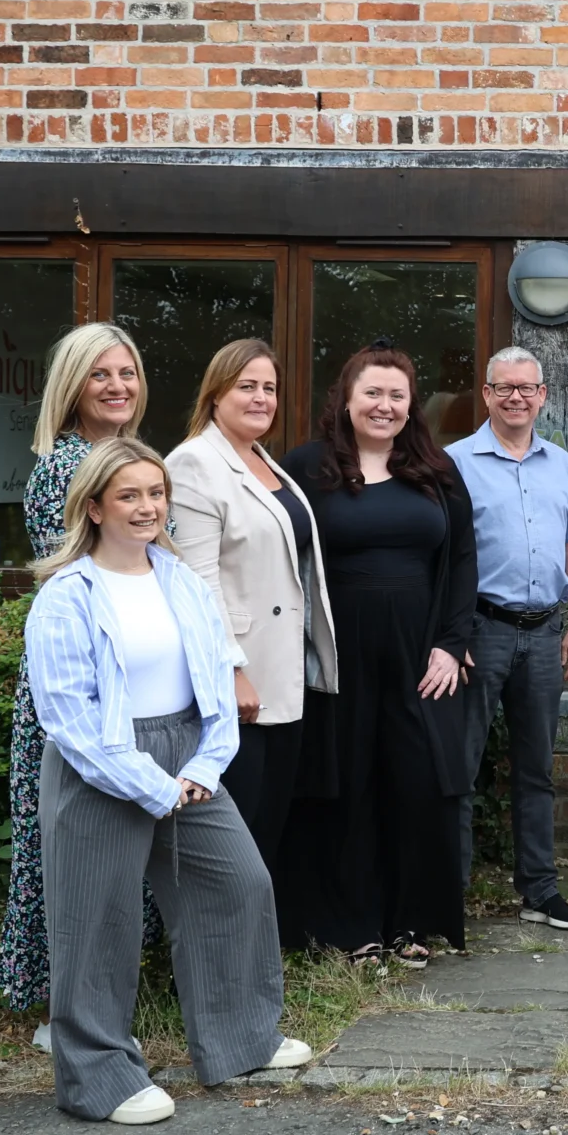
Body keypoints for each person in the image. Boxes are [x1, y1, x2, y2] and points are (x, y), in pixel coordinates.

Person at [24, 436, 309, 1123]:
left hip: (186, 753)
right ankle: (99, 1079)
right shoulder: (65, 597)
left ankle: (240, 1039)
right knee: (97, 921)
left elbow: (215, 682)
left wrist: (205, 765)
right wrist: (151, 785)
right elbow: (69, 720)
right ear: (93, 506)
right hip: (104, 765)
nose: (147, 506)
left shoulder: (178, 578)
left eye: (156, 493)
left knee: (240, 881)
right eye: (129, 495)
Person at [281, 343, 477, 967]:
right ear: (345, 397)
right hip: (336, 660)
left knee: (418, 784)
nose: (384, 406)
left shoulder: (437, 471)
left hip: (420, 657)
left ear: (411, 404)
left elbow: (465, 562)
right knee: (347, 786)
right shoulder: (306, 470)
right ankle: (350, 926)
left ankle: (411, 921)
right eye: (373, 393)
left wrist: (452, 644)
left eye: (396, 395)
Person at [0, 321, 149, 1031]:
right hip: (80, 675)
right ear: (73, 387)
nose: (118, 386)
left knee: (103, 837)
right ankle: (66, 1013)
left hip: (118, 666)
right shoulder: (68, 465)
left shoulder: (124, 457)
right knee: (73, 840)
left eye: (127, 373)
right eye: (101, 375)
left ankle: (93, 999)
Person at [164, 339, 337, 881]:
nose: (262, 398)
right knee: (236, 833)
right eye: (247, 386)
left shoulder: (263, 461)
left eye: (269, 388)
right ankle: (219, 955)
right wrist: (230, 670)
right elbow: (197, 582)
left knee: (268, 826)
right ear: (215, 394)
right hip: (239, 685)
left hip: (283, 674)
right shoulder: (193, 463)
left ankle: (254, 952)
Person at [448, 345, 568, 931]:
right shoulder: (455, 464)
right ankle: (449, 893)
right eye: (504, 387)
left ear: (541, 396)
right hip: (479, 631)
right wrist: (450, 634)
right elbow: (443, 557)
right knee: (460, 770)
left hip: (542, 635)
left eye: (526, 388)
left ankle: (539, 891)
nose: (516, 397)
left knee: (536, 770)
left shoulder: (561, 464)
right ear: (486, 394)